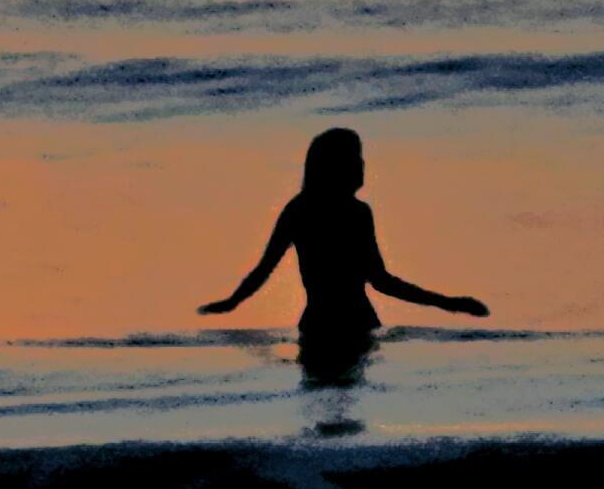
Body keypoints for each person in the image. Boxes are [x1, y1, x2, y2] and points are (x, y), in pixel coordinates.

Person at [198, 127, 487, 381]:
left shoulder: (301, 209)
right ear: (335, 166)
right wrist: (448, 303)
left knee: (321, 390)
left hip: (318, 325)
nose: (362, 165)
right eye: (355, 158)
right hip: (355, 323)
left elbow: (263, 270)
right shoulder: (352, 213)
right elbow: (381, 281)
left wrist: (232, 302)